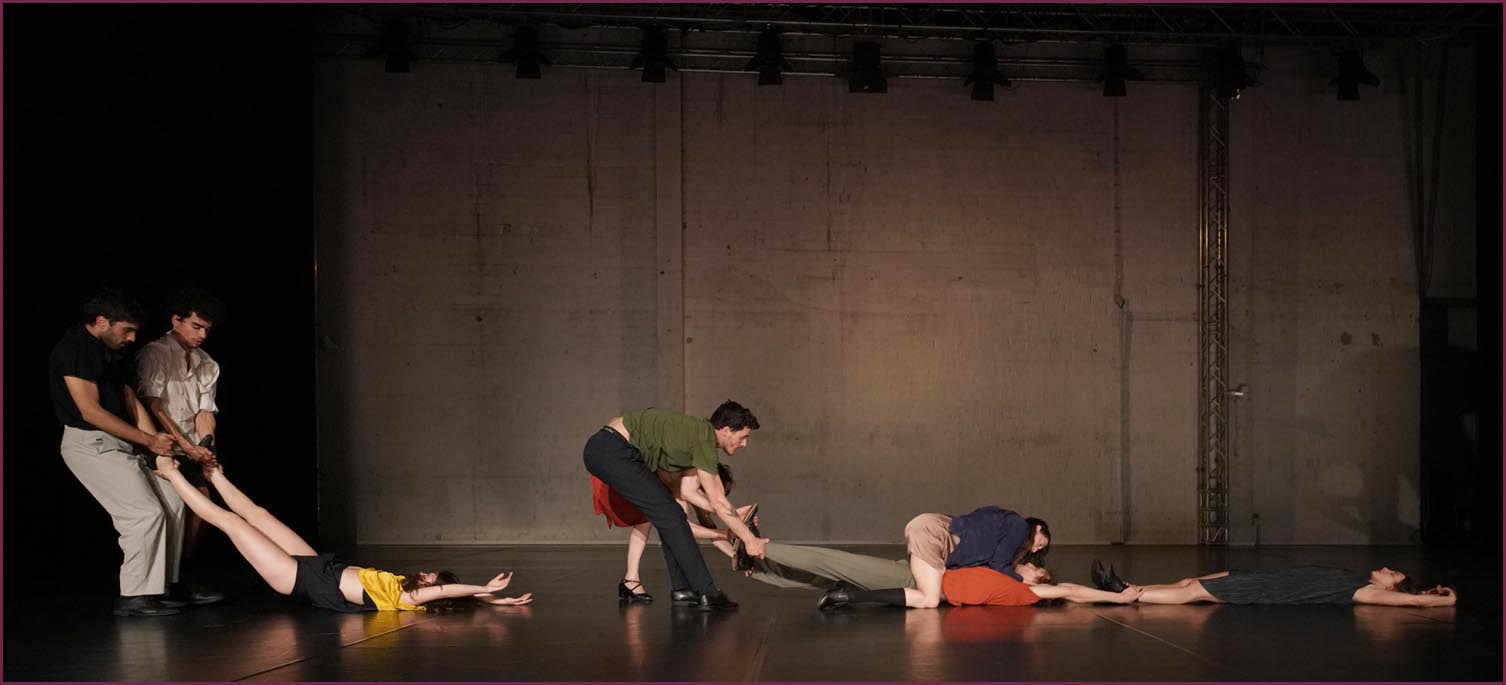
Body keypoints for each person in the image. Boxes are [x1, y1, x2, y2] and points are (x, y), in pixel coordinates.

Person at [152, 455, 533, 611]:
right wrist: (492, 600)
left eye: (435, 578)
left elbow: (447, 593)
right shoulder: (404, 587)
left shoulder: (409, 599)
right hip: (320, 566)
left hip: (299, 579)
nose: (429, 574)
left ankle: (170, 474)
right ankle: (214, 475)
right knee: (258, 515)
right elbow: (452, 595)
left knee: (232, 523)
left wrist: (485, 589)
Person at [50, 287, 185, 617]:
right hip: (90, 444)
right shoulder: (76, 349)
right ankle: (135, 596)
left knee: (173, 502)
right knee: (143, 513)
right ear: (101, 321)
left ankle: (159, 588)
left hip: (121, 444)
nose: (132, 337)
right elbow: (90, 412)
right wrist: (147, 441)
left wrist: (156, 444)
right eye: (127, 330)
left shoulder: (111, 352)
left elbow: (128, 398)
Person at [581, 400, 767, 611]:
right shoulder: (703, 439)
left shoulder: (692, 438)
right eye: (743, 437)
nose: (744, 444)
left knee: (671, 517)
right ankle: (707, 592)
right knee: (671, 516)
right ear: (726, 430)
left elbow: (691, 496)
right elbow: (718, 501)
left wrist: (736, 539)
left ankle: (683, 588)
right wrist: (750, 540)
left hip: (609, 449)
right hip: (612, 449)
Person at [135, 284, 229, 606]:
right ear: (176, 320)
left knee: (201, 509)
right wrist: (186, 447)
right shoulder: (155, 353)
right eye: (196, 326)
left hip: (190, 446)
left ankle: (179, 575)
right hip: (159, 445)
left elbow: (205, 412)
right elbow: (153, 406)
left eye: (207, 329)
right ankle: (165, 581)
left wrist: (207, 450)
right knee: (171, 510)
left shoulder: (207, 363)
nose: (202, 335)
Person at [734, 539, 1138, 607]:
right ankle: (758, 552)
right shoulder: (1002, 568)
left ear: (1039, 579)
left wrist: (1116, 597)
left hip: (913, 581)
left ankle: (757, 557)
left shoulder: (1028, 593)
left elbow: (1072, 592)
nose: (1029, 564)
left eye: (1035, 566)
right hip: (915, 572)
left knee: (831, 570)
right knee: (834, 567)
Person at [828, 508, 1050, 609]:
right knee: (929, 599)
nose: (1034, 549)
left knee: (919, 585)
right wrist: (1022, 580)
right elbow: (998, 564)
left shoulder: (1003, 520)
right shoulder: (1020, 526)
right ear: (1038, 528)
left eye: (1038, 549)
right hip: (935, 534)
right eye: (1040, 543)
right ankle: (846, 596)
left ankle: (847, 587)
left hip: (931, 528)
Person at [591, 463, 752, 602]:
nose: (713, 500)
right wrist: (726, 533)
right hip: (615, 478)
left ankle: (633, 580)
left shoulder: (691, 487)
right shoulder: (681, 481)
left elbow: (709, 528)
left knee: (650, 516)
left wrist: (738, 556)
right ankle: (631, 579)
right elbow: (684, 529)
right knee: (649, 516)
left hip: (633, 480)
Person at [1089, 559, 1459, 607]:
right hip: (1265, 576)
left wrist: (1444, 601)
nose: (1387, 569)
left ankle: (1128, 594)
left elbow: (1413, 602)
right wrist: (1430, 590)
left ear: (1390, 587)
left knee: (1192, 593)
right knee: (1190, 580)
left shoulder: (1366, 592)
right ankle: (1127, 585)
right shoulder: (1357, 579)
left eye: (1393, 574)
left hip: (1268, 589)